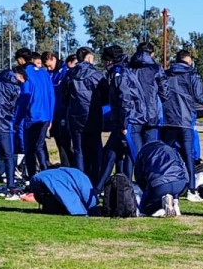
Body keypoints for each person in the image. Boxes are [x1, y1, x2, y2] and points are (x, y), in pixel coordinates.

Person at [157, 49, 203, 202]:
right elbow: (198, 97)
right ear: (189, 61)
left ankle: (162, 185)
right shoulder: (193, 75)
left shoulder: (165, 74)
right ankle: (192, 189)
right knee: (188, 156)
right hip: (185, 120)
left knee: (165, 156)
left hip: (167, 120)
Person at [96, 44, 142, 187]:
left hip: (126, 121)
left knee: (116, 154)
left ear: (109, 60)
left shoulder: (119, 74)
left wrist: (123, 123)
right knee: (116, 154)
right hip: (128, 119)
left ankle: (99, 189)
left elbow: (125, 100)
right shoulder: (125, 71)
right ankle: (119, 186)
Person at [60, 46, 105, 185]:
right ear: (89, 58)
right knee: (95, 148)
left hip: (75, 116)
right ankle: (95, 180)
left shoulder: (69, 74)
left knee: (78, 149)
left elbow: (65, 96)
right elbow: (106, 96)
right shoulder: (98, 74)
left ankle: (80, 181)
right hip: (93, 114)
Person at [15, 51, 55, 180]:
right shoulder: (44, 73)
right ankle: (45, 172)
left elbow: (25, 97)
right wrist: (50, 117)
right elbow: (51, 95)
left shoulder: (26, 73)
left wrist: (17, 119)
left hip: (32, 115)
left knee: (30, 149)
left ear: (21, 60)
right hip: (45, 115)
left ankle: (32, 177)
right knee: (40, 146)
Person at [0, 62, 25, 199]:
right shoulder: (15, 88)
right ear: (19, 76)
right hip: (4, 121)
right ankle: (11, 186)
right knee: (8, 155)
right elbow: (12, 106)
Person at [134, 140, 187, 218]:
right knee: (173, 181)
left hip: (160, 185)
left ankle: (162, 205)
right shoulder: (172, 150)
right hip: (180, 183)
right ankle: (175, 202)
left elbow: (138, 176)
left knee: (144, 209)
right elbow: (184, 169)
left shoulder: (143, 152)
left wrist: (145, 189)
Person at [127, 41, 162, 149]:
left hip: (134, 114)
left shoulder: (129, 69)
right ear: (151, 54)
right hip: (152, 112)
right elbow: (165, 91)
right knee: (150, 150)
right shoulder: (156, 68)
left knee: (132, 151)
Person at [44, 50, 73, 168]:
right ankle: (59, 165)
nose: (48, 68)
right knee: (57, 140)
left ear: (53, 59)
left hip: (63, 111)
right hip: (53, 113)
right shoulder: (49, 73)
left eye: (49, 65)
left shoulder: (65, 71)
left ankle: (69, 166)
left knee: (64, 142)